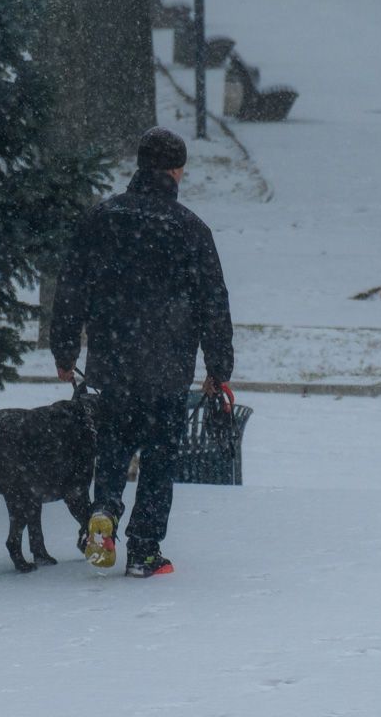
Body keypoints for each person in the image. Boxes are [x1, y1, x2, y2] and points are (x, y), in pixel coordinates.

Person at [51, 126, 234, 578]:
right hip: (168, 367)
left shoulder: (101, 217)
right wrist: (218, 367)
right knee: (158, 457)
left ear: (139, 166)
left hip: (112, 362)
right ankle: (145, 549)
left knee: (112, 445)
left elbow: (71, 286)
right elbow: (214, 301)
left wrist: (63, 347)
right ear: (176, 171)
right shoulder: (190, 228)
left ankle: (105, 513)